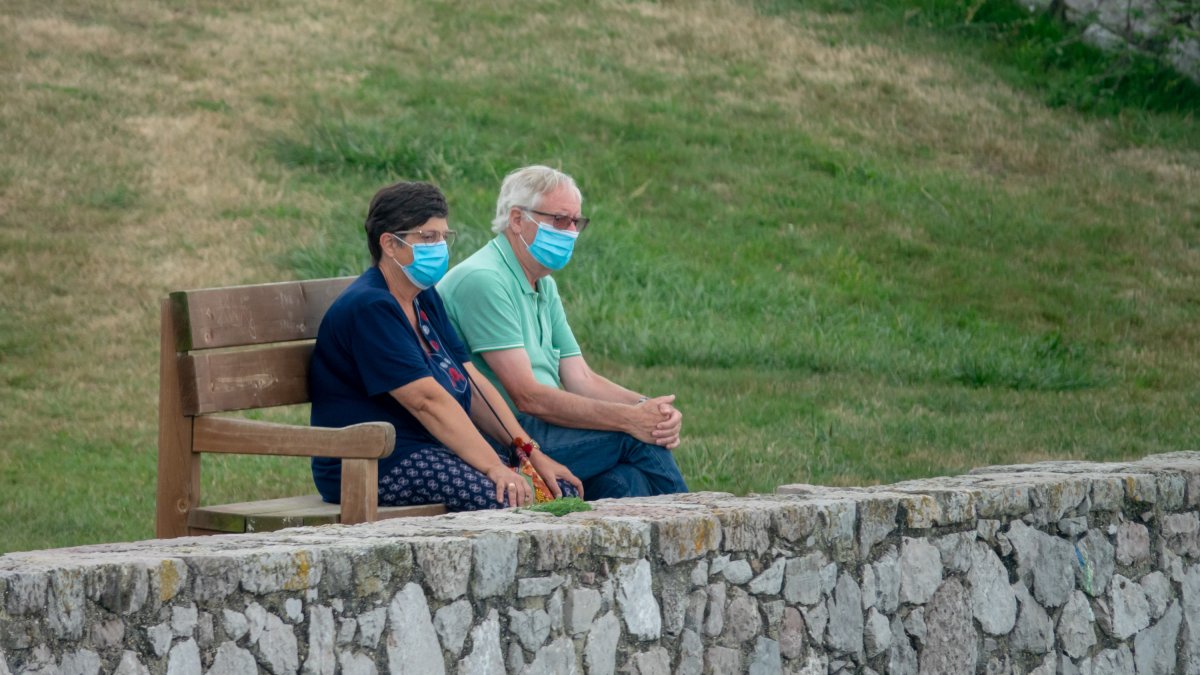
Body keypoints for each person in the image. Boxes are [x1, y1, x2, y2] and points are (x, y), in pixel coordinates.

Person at [308, 180, 583, 511]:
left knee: (558, 489)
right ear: (390, 244)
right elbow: (427, 401)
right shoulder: (371, 308)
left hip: (430, 447)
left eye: (442, 236)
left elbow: (472, 382)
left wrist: (528, 453)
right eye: (427, 237)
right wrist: (494, 467)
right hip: (374, 461)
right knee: (504, 497)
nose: (439, 246)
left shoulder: (424, 296)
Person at [438, 165, 688, 500]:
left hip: (539, 426)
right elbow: (527, 396)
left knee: (625, 479)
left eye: (576, 221)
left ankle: (632, 553)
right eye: (559, 220)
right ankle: (708, 530)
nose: (571, 231)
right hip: (502, 434)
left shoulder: (543, 282)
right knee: (632, 438)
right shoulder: (484, 279)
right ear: (517, 219)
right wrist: (631, 420)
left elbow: (580, 376)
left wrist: (649, 409)